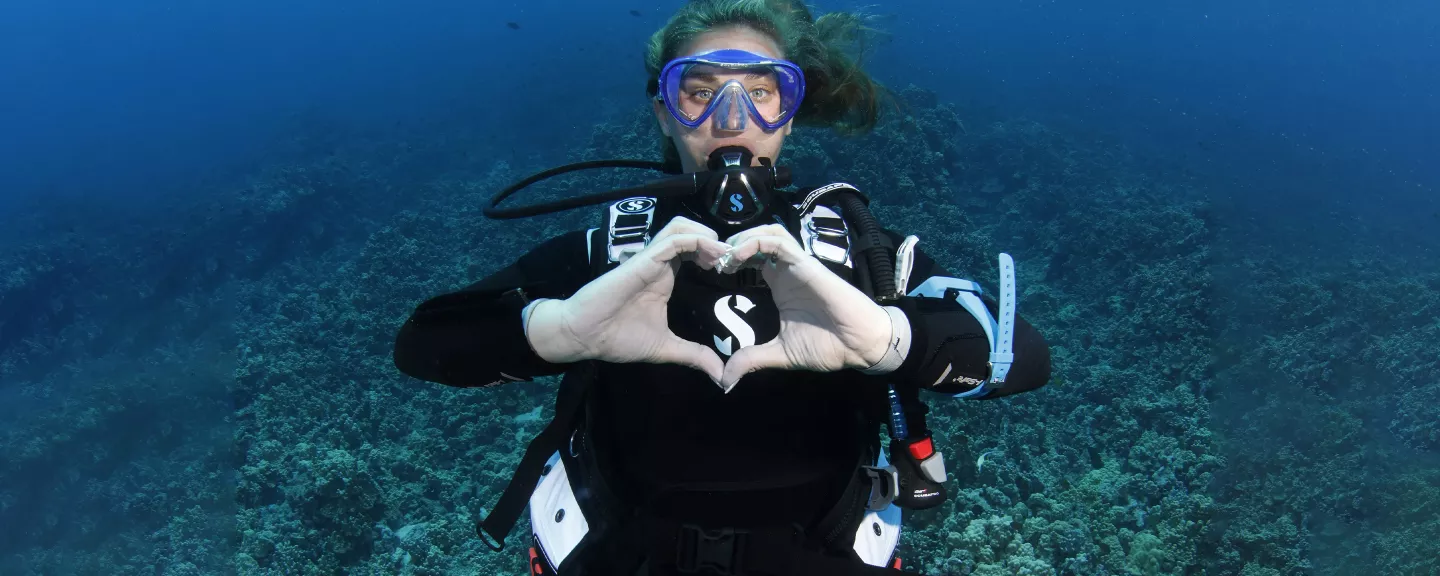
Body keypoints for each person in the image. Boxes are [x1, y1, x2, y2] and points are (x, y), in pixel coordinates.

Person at [392, 1, 1051, 574]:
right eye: (699, 90)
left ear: (792, 111)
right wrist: (557, 332)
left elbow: (1022, 355)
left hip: (824, 552)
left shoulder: (855, 249)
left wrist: (890, 338)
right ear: (663, 111)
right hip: (621, 553)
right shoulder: (613, 253)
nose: (731, 118)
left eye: (763, 92)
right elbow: (423, 344)